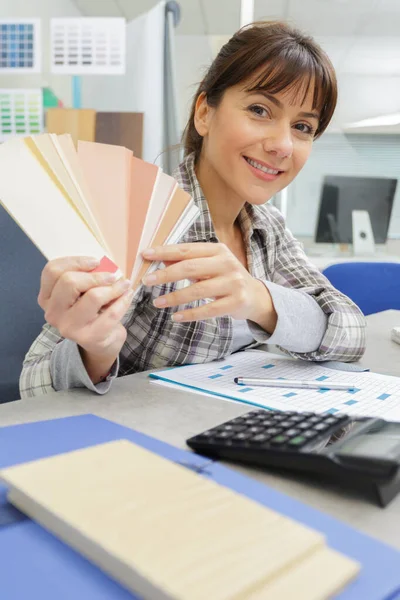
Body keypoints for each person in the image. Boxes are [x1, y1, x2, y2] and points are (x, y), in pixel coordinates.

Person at [20, 21, 366, 398]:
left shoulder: (267, 227)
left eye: (302, 126)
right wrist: (95, 352)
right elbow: (32, 384)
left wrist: (259, 298)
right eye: (260, 110)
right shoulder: (142, 218)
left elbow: (350, 330)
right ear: (204, 113)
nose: (283, 145)